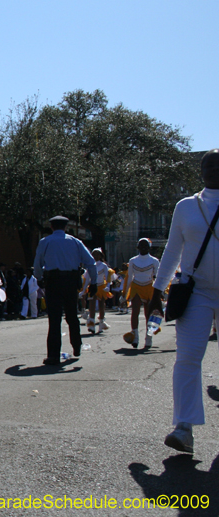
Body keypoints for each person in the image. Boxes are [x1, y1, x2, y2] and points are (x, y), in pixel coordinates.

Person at [150, 149, 219, 454]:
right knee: (188, 358)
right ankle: (183, 428)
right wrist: (157, 292)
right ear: (200, 171)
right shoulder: (187, 206)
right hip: (196, 293)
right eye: (208, 165)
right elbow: (172, 251)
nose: (213, 169)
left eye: (218, 165)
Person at [33, 215, 97, 366]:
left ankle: (54, 355)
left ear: (52, 227)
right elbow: (91, 263)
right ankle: (77, 345)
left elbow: (37, 263)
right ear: (66, 227)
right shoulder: (75, 242)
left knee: (54, 319)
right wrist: (94, 282)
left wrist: (39, 278)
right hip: (70, 282)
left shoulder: (46, 241)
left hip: (53, 282)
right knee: (72, 316)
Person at [122, 239, 159, 348]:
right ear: (137, 247)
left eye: (145, 245)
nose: (143, 247)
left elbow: (157, 277)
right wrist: (124, 294)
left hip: (149, 287)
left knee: (149, 313)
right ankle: (135, 337)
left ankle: (149, 337)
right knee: (135, 311)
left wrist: (160, 293)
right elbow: (129, 278)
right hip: (136, 286)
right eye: (141, 245)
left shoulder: (154, 261)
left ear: (149, 247)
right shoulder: (133, 260)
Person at [86, 247, 113, 334]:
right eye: (94, 254)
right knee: (92, 306)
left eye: (97, 254)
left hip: (101, 287)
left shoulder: (103, 265)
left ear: (101, 256)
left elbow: (108, 277)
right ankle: (91, 325)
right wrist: (83, 290)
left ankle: (101, 323)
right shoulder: (90, 265)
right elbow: (87, 278)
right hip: (92, 286)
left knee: (101, 306)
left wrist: (108, 286)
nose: (96, 256)